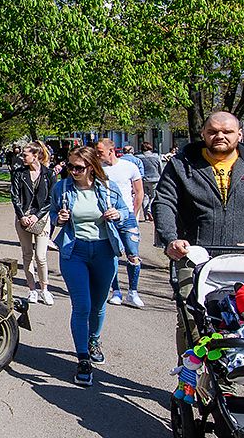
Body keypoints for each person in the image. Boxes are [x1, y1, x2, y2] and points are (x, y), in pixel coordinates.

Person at [153, 110, 244, 353]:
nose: (220, 136)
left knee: (243, 319)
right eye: (213, 131)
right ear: (203, 134)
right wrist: (170, 239)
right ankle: (189, 372)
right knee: (192, 323)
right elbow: (164, 203)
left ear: (240, 134)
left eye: (227, 131)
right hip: (194, 255)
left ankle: (233, 374)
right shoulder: (181, 165)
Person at [53, 146, 131, 388]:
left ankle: (94, 340)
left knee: (98, 304)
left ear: (91, 167)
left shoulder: (107, 188)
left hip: (104, 251)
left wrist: (117, 214)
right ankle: (83, 359)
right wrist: (58, 219)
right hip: (74, 251)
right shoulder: (62, 188)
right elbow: (53, 215)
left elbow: (126, 212)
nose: (73, 171)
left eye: (78, 167)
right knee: (82, 305)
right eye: (70, 166)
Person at [96, 138, 145, 308]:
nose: (98, 155)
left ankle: (133, 292)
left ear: (111, 151)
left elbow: (139, 192)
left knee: (133, 254)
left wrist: (135, 213)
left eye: (100, 152)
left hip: (127, 216)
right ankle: (115, 291)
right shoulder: (98, 169)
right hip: (108, 217)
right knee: (111, 255)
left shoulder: (129, 167)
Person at [11, 142, 55, 305]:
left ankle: (45, 289)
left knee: (41, 256)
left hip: (41, 219)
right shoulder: (19, 173)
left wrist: (37, 216)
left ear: (35, 156)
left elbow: (51, 199)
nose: (22, 157)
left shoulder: (49, 174)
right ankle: (32, 290)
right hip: (23, 217)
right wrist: (21, 216)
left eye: (25, 155)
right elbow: (15, 196)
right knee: (27, 254)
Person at [136, 142, 163, 222]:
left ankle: (146, 216)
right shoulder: (156, 157)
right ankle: (150, 210)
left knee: (145, 196)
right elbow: (160, 168)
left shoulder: (139, 158)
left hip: (144, 179)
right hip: (155, 179)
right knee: (154, 196)